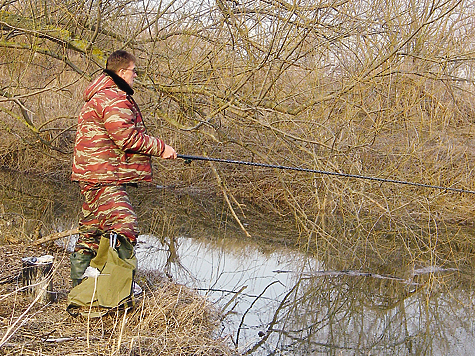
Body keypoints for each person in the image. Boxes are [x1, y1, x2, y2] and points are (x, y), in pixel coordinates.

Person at [70, 50, 177, 288]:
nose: (135, 76)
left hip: (95, 173)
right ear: (121, 72)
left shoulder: (103, 94)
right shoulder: (112, 97)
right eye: (133, 71)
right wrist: (161, 148)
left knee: (91, 231)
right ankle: (115, 288)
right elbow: (126, 138)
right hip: (101, 175)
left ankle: (81, 289)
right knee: (124, 224)